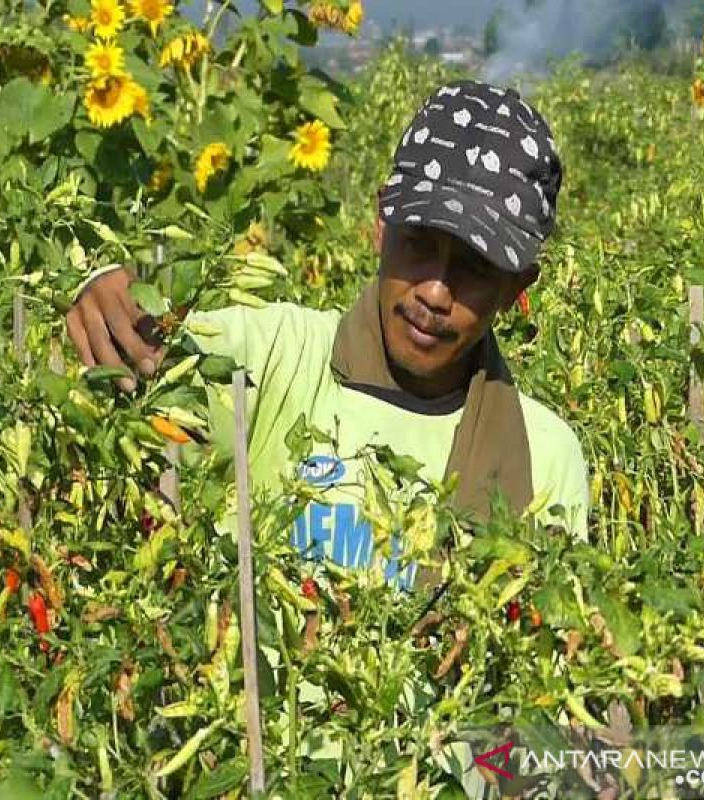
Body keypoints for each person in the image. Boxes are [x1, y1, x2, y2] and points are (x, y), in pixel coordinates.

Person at [66, 80, 589, 589]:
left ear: (516, 286)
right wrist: (99, 286)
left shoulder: (543, 457)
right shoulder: (275, 356)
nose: (434, 291)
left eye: (474, 268)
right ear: (381, 223)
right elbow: (141, 355)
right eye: (418, 243)